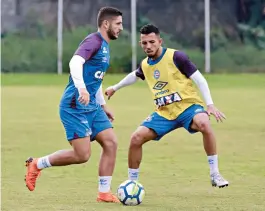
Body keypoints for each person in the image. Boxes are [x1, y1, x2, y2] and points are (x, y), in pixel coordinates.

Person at [105, 24, 229, 188]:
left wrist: (210, 105)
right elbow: (135, 76)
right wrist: (115, 88)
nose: (148, 46)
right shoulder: (145, 65)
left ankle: (215, 174)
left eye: (151, 42)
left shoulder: (176, 57)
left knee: (204, 123)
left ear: (159, 41)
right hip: (164, 113)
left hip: (188, 107)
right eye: (144, 43)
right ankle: (132, 184)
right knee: (136, 138)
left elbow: (200, 79)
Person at [24, 7, 124, 202]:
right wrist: (81, 89)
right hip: (74, 105)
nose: (121, 28)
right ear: (106, 24)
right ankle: (37, 164)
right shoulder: (93, 41)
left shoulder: (105, 45)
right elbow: (75, 62)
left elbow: (96, 78)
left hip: (92, 106)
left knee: (111, 142)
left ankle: (104, 193)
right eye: (118, 24)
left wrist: (102, 105)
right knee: (82, 155)